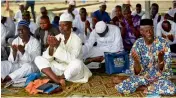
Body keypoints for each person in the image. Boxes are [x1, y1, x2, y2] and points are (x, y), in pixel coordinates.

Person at [115, 19, 175, 95]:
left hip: (160, 78)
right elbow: (136, 72)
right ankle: (148, 87)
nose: (149, 33)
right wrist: (137, 62)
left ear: (153, 29)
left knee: (172, 90)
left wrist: (161, 59)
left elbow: (165, 68)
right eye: (146, 31)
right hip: (143, 77)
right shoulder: (138, 44)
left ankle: (143, 87)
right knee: (121, 88)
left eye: (150, 30)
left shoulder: (163, 43)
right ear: (141, 32)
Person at [34, 13, 92, 87]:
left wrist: (57, 46)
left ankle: (58, 77)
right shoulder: (57, 37)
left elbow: (72, 59)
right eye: (60, 25)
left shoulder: (77, 40)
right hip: (57, 67)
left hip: (71, 70)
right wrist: (51, 47)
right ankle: (57, 80)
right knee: (38, 58)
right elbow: (47, 58)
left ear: (71, 25)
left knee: (78, 63)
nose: (61, 27)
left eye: (64, 25)